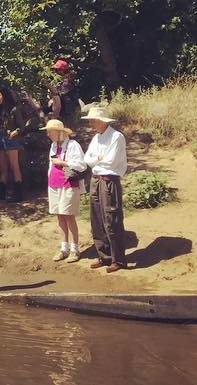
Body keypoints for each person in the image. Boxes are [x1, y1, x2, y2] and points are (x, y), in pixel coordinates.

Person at [82, 106, 128, 273]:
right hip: (96, 179)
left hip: (109, 181)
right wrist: (98, 159)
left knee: (111, 219)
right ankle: (104, 256)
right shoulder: (96, 138)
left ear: (101, 121)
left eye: (93, 120)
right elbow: (87, 159)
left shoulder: (117, 137)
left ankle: (119, 260)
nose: (91, 123)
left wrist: (97, 159)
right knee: (97, 219)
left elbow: (111, 161)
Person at [40, 118, 86, 262]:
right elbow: (50, 165)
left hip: (68, 184)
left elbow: (81, 165)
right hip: (54, 184)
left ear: (58, 132)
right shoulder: (53, 146)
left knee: (69, 216)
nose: (48, 134)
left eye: (50, 131)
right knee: (59, 215)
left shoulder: (73, 145)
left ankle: (75, 249)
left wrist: (63, 162)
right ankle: (64, 248)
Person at [0, 86, 40, 202]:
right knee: (2, 167)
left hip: (10, 138)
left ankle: (18, 193)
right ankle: (1, 193)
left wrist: (15, 132)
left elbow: (22, 126)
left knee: (14, 166)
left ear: (5, 96)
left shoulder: (14, 110)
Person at [48, 59, 81, 129]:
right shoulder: (61, 81)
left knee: (69, 130)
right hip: (65, 110)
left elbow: (61, 91)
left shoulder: (68, 81)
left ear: (63, 70)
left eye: (58, 70)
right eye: (55, 70)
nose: (56, 72)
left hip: (70, 110)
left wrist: (49, 87)